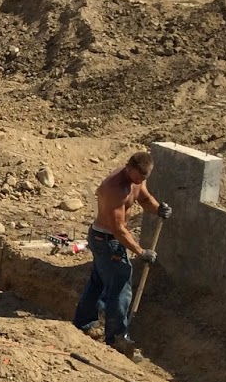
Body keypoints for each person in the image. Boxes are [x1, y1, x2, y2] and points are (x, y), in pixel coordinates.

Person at [72, 150, 168, 361]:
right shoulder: (115, 189)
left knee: (99, 281)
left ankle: (83, 322)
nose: (141, 181)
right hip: (105, 240)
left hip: (105, 239)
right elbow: (119, 229)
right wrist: (141, 252)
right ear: (129, 168)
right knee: (121, 286)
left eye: (145, 178)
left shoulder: (137, 180)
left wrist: (158, 208)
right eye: (138, 177)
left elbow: (145, 198)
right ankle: (117, 339)